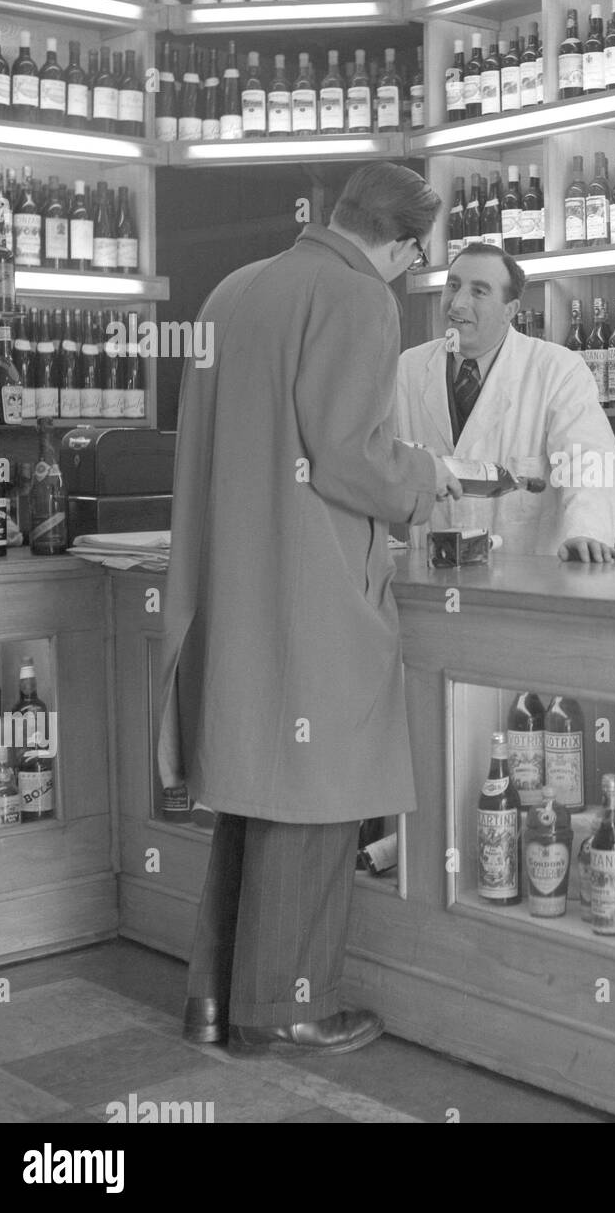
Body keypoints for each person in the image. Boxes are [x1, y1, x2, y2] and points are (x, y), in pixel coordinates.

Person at [155, 163, 461, 1057]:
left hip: (231, 582)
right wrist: (426, 477)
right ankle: (287, 1006)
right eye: (413, 259)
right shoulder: (360, 297)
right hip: (312, 585)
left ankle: (214, 1001)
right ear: (402, 244)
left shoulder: (231, 292)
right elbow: (347, 457)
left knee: (249, 794)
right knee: (318, 801)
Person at [393, 244, 615, 562]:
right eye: (453, 285)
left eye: (479, 291)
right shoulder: (409, 367)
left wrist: (587, 532)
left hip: (525, 580)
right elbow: (378, 453)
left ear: (510, 309)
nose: (457, 303)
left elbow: (590, 462)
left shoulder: (556, 369)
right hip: (433, 574)